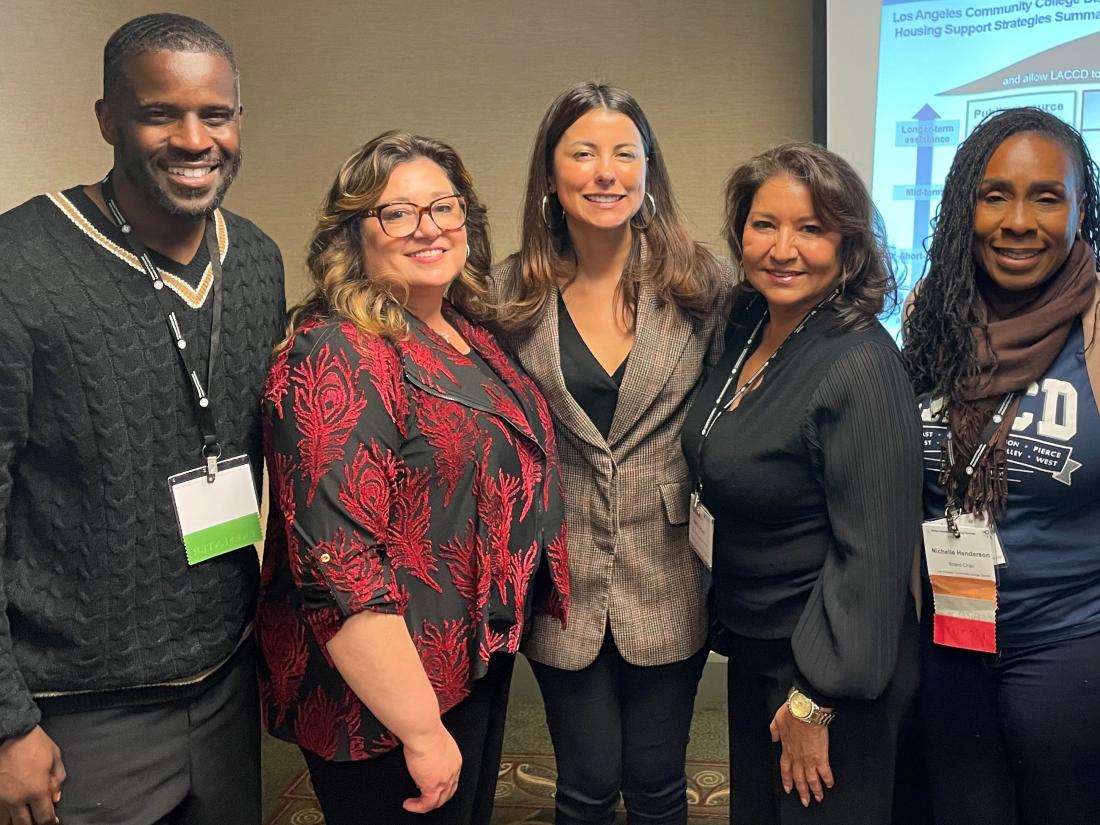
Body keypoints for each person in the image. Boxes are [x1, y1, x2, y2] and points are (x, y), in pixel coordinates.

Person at [0, 13, 285, 825]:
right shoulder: (20, 269)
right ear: (108, 121)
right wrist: (6, 723)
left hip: (228, 680)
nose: (195, 139)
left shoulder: (258, 260)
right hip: (79, 710)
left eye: (216, 114)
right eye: (161, 113)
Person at [257, 130, 570, 825]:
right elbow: (339, 567)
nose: (428, 228)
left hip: (463, 658)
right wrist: (422, 729)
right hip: (381, 698)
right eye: (397, 212)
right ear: (354, 234)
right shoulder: (337, 350)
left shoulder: (463, 327)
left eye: (445, 207)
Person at [492, 82, 731, 825]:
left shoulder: (699, 282)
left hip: (669, 572)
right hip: (559, 578)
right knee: (587, 783)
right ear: (551, 174)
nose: (606, 171)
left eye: (625, 153)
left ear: (647, 168)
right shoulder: (510, 292)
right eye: (584, 152)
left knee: (659, 781)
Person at [682, 142, 922, 825]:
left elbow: (872, 557)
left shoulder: (860, 364)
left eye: (812, 228)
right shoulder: (748, 323)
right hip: (760, 643)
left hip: (827, 671)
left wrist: (816, 697)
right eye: (765, 224)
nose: (783, 248)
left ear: (848, 246)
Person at [904, 108, 1100, 825]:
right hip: (951, 640)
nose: (1019, 220)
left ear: (1083, 209)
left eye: (1047, 197)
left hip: (1071, 642)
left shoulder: (1097, 325)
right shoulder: (933, 312)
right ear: (965, 207)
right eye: (995, 195)